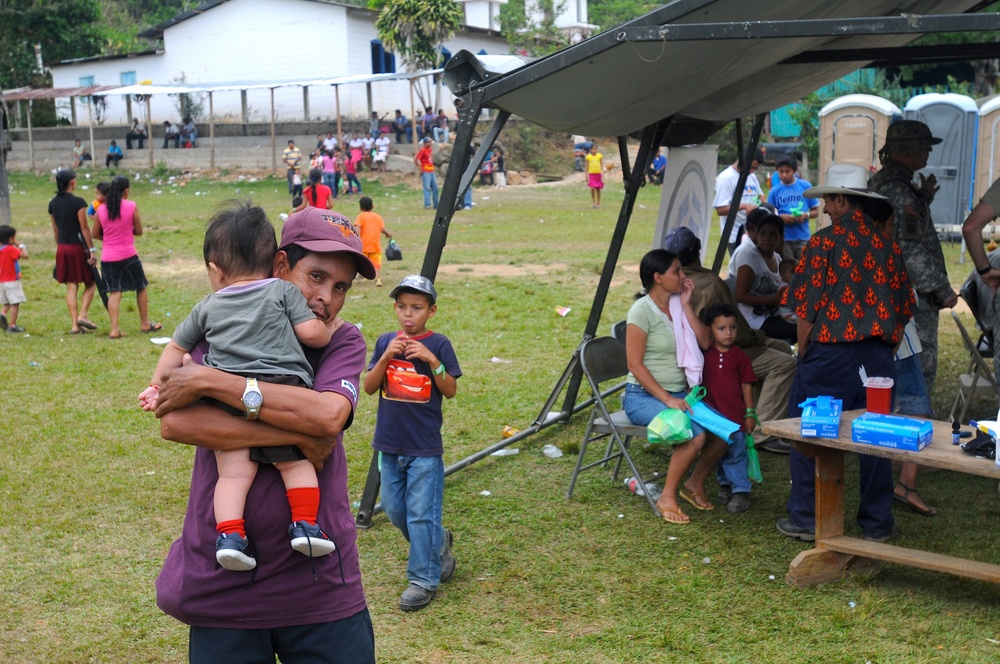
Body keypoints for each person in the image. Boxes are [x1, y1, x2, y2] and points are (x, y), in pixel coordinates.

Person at [152, 207, 377, 663]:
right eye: (314, 277)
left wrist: (215, 383)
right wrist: (300, 432)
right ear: (278, 267)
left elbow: (329, 416)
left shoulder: (340, 339)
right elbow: (176, 422)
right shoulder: (223, 322)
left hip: (320, 588)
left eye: (341, 289)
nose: (326, 300)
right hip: (226, 583)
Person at [139, 201, 339, 571]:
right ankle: (306, 527)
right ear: (274, 264)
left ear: (215, 271)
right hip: (283, 389)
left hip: (223, 393)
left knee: (232, 474)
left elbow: (176, 347)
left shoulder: (207, 307)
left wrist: (156, 385)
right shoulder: (283, 293)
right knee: (294, 466)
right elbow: (311, 335)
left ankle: (230, 536)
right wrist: (330, 328)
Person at [777, 164, 914, 543]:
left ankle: (807, 517)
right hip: (878, 356)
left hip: (830, 354)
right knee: (877, 438)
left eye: (827, 200)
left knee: (810, 433)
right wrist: (881, 350)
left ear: (841, 200)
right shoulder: (888, 247)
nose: (824, 208)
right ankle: (877, 523)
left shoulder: (822, 244)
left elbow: (804, 310)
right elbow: (903, 310)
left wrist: (806, 354)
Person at [363, 275, 460, 611]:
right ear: (394, 308)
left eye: (417, 308)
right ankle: (438, 542)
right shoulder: (386, 341)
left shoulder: (440, 344)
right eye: (402, 307)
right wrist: (387, 356)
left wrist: (433, 362)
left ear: (431, 311)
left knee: (421, 515)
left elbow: (450, 389)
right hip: (389, 446)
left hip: (424, 449)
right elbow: (369, 386)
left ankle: (423, 579)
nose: (408, 314)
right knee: (394, 508)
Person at [665, 225, 797, 456]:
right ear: (697, 251)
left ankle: (754, 413)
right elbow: (735, 332)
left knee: (782, 347)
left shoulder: (665, 286)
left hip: (697, 352)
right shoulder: (709, 282)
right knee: (786, 364)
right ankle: (761, 433)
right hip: (714, 354)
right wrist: (757, 337)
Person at [622, 249, 725, 524]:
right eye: (676, 271)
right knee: (695, 435)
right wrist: (667, 399)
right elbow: (635, 365)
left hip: (679, 394)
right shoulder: (641, 311)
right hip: (642, 396)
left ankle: (694, 484)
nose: (683, 276)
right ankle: (667, 496)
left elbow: (704, 342)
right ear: (657, 277)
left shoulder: (679, 303)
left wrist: (688, 305)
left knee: (725, 430)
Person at [869, 120, 957, 396]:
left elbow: (899, 230)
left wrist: (923, 198)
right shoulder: (898, 190)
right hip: (910, 296)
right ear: (909, 149)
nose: (928, 153)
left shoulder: (888, 184)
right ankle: (913, 420)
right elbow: (909, 249)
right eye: (925, 148)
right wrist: (942, 289)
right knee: (919, 362)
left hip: (891, 292)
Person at [699, 303, 757, 514]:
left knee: (736, 453)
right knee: (718, 453)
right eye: (721, 328)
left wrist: (750, 413)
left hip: (736, 418)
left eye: (732, 328)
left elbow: (746, 385)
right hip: (712, 417)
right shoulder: (704, 354)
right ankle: (725, 486)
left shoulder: (740, 357)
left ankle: (741, 490)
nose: (728, 333)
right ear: (710, 330)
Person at [92, 175, 161, 339]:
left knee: (114, 292)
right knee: (141, 286)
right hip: (128, 255)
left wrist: (108, 238)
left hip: (108, 257)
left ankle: (114, 329)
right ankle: (145, 323)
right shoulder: (131, 206)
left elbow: (95, 233)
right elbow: (139, 230)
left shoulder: (101, 209)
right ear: (126, 191)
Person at [729, 214, 796, 342]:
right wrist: (771, 300)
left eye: (773, 234)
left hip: (774, 315)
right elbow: (740, 295)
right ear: (757, 235)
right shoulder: (751, 258)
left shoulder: (777, 258)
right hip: (754, 321)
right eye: (763, 233)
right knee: (802, 329)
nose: (767, 239)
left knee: (808, 322)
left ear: (780, 238)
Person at [49, 168, 99, 335]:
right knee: (91, 283)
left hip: (62, 247)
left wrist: (60, 247)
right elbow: (84, 227)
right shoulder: (78, 202)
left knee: (71, 286)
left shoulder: (53, 203)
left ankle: (74, 325)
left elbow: (55, 229)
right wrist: (91, 249)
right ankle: (83, 315)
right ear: (72, 182)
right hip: (77, 247)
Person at [767, 154, 818, 261]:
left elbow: (815, 211)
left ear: (795, 171)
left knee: (804, 267)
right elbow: (769, 215)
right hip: (783, 238)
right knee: (786, 269)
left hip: (803, 237)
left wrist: (806, 215)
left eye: (787, 171)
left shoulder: (806, 186)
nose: (784, 175)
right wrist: (780, 218)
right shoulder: (774, 191)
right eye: (781, 171)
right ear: (777, 171)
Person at [714, 149, 764, 255]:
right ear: (743, 160)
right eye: (751, 167)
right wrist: (744, 206)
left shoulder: (751, 176)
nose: (752, 171)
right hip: (735, 237)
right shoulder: (726, 178)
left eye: (755, 168)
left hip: (754, 234)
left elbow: (760, 196)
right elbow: (720, 209)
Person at [355, 196, 391, 287]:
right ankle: (378, 279)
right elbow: (382, 229)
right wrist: (387, 234)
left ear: (360, 208)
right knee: (376, 263)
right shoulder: (378, 217)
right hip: (375, 245)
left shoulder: (361, 216)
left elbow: (358, 227)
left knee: (361, 262)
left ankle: (359, 275)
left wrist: (356, 237)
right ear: (373, 206)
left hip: (364, 245)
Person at [0, 224, 29, 333]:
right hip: (12, 281)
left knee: (7, 301)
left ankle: (2, 314)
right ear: (10, 239)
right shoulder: (11, 249)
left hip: (2, 282)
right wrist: (21, 245)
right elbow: (25, 255)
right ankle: (12, 325)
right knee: (15, 303)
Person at [415, 137, 438, 209]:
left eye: (431, 142)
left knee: (435, 188)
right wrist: (420, 168)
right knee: (427, 187)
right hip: (426, 170)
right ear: (425, 143)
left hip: (431, 170)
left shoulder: (430, 149)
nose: (430, 143)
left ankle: (436, 204)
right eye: (429, 142)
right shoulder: (423, 150)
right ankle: (427, 204)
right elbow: (416, 159)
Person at [586, 144, 604, 209]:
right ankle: (593, 202)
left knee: (598, 189)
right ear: (591, 149)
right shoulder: (588, 157)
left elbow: (601, 165)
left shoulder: (599, 156)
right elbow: (587, 167)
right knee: (592, 188)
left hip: (598, 174)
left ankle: (598, 202)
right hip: (591, 174)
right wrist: (586, 175)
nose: (594, 150)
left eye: (595, 149)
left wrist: (603, 172)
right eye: (593, 149)